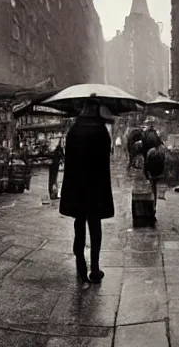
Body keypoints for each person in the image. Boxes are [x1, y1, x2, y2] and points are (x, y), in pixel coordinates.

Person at [59, 100, 113, 284]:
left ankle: (80, 264)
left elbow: (69, 160)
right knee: (95, 227)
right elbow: (106, 158)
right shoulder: (101, 131)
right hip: (96, 188)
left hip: (77, 187)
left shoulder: (73, 130)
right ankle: (95, 269)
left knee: (79, 224)